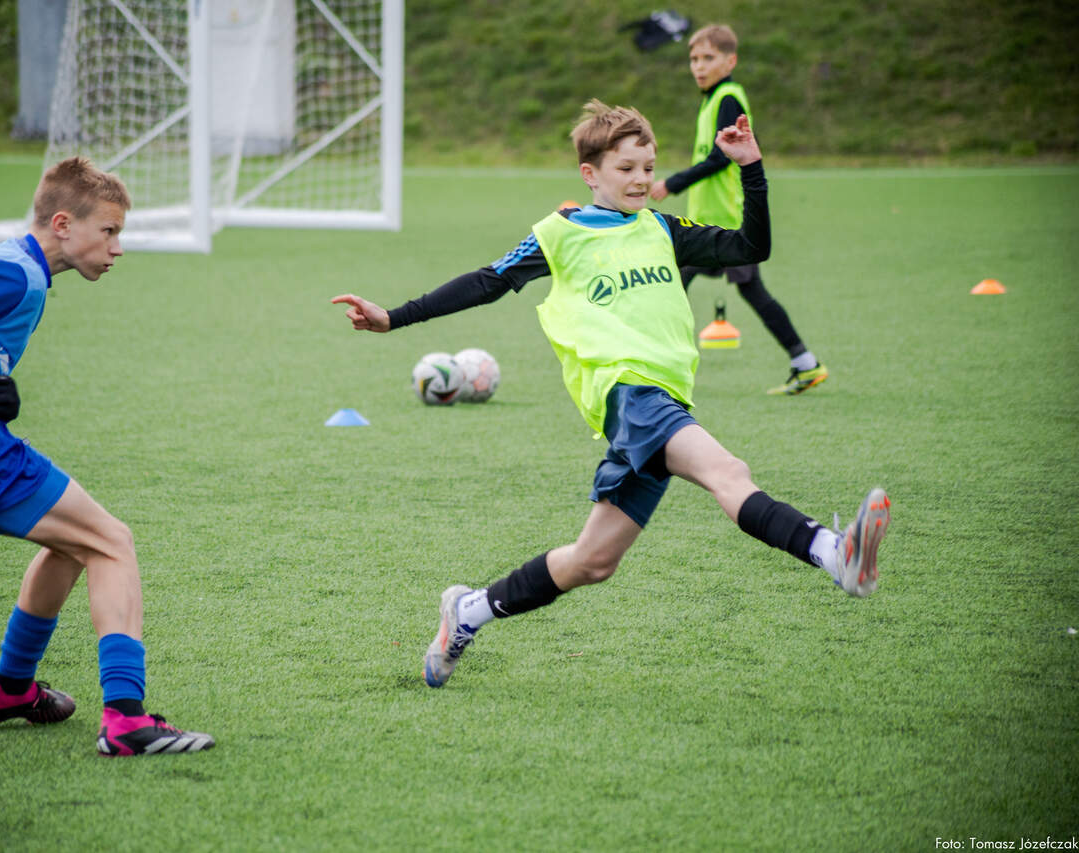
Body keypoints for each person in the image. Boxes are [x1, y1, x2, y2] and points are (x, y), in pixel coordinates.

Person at [332, 100, 889, 689]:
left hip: (661, 400)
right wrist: (394, 317)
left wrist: (750, 166)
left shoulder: (663, 229)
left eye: (648, 167)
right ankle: (835, 554)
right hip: (626, 392)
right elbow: (487, 282)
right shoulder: (560, 233)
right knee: (729, 472)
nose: (642, 179)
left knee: (591, 562)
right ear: (590, 173)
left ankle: (467, 611)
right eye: (626, 168)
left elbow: (752, 247)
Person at [0, 157, 214, 755]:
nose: (117, 248)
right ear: (62, 224)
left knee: (73, 542)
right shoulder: (17, 275)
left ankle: (10, 691)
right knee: (113, 542)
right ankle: (126, 721)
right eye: (109, 231)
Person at [650, 24, 827, 396]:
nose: (699, 66)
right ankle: (804, 362)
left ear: (730, 61)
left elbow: (719, 158)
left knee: (678, 284)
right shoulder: (714, 99)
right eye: (694, 59)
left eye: (708, 58)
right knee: (688, 283)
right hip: (710, 220)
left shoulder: (727, 97)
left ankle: (657, 367)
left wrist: (672, 183)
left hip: (725, 222)